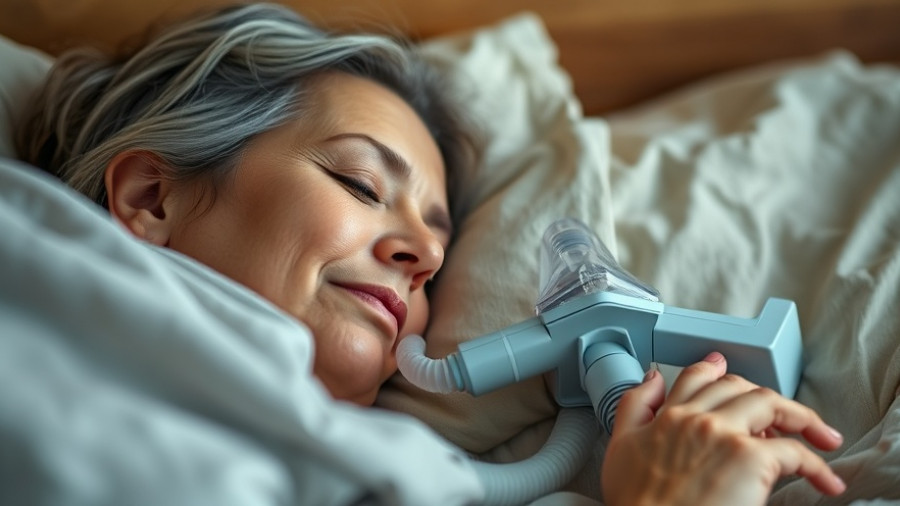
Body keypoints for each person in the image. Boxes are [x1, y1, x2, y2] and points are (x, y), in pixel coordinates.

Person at [13, 3, 845, 504]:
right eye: (363, 185)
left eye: (440, 243)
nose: (424, 259)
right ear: (152, 199)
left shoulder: (382, 472)